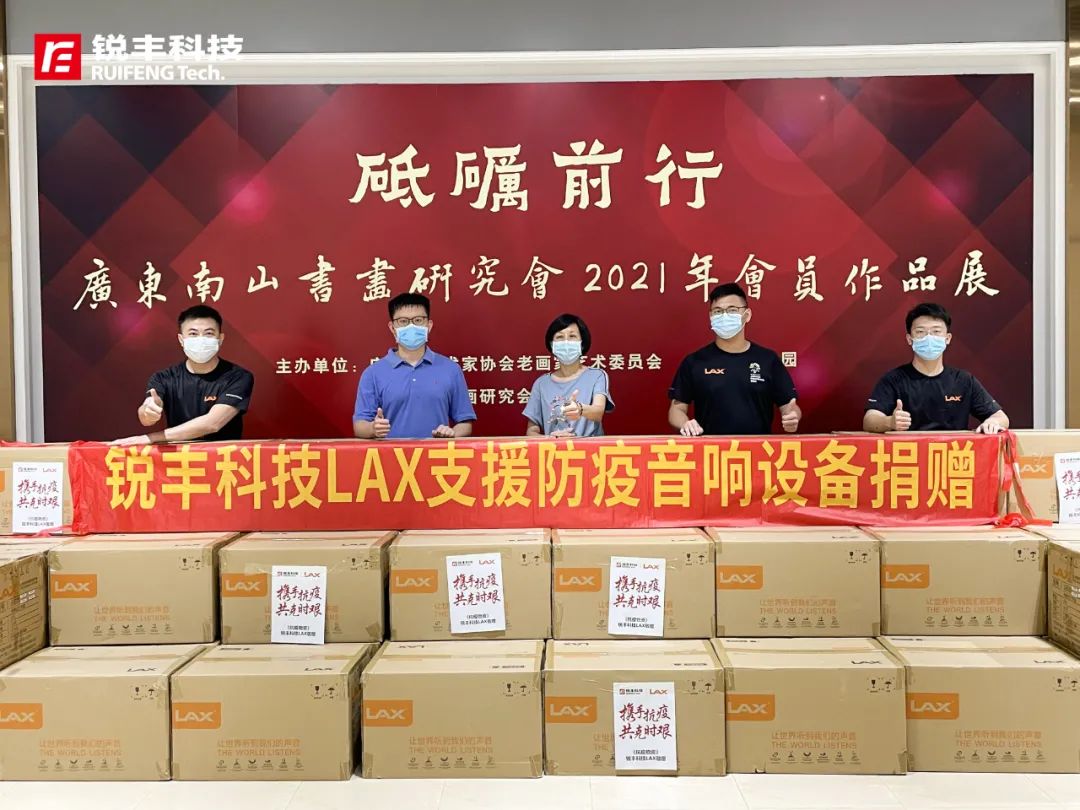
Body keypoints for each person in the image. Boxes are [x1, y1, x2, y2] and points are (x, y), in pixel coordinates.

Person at [668, 282, 800, 436]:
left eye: (732, 310)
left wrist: (792, 416)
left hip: (759, 448)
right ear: (711, 316)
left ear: (747, 315)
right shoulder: (694, 362)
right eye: (718, 311)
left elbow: (789, 406)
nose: (724, 316)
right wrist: (685, 423)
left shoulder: (768, 360)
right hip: (710, 448)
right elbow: (676, 409)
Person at [113, 305, 254, 445]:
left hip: (223, 457)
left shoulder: (238, 377)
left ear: (220, 339)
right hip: (180, 457)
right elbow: (147, 413)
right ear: (181, 340)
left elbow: (212, 424)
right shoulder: (163, 378)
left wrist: (152, 437)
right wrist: (148, 412)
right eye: (193, 334)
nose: (201, 340)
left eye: (209, 333)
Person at [864, 302, 1009, 434]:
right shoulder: (893, 380)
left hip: (953, 452)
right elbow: (869, 420)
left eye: (936, 331)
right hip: (910, 452)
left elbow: (1001, 417)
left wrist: (993, 422)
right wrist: (889, 422)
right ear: (909, 339)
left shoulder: (964, 381)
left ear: (948, 338)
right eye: (920, 332)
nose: (929, 338)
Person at [353, 292, 476, 440]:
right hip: (391, 454)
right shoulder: (373, 373)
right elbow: (359, 425)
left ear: (429, 325)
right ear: (392, 327)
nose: (411, 326)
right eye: (403, 321)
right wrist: (373, 429)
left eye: (418, 320)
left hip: (437, 453)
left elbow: (465, 423)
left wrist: (452, 433)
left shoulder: (451, 369)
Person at [524, 314, 613, 437]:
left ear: (582, 343)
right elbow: (531, 432)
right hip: (553, 449)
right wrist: (551, 439)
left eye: (572, 336)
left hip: (589, 449)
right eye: (560, 337)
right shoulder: (541, 383)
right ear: (552, 345)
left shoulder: (597, 376)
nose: (566, 342)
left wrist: (580, 409)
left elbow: (598, 412)